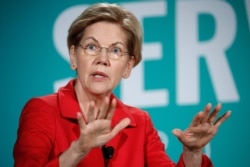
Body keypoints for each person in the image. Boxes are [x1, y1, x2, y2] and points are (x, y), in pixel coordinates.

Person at [13, 2, 231, 167]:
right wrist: (78, 150)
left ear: (128, 66)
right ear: (73, 56)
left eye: (115, 50)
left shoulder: (139, 123)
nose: (103, 58)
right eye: (91, 47)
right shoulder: (42, 110)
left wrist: (192, 154)